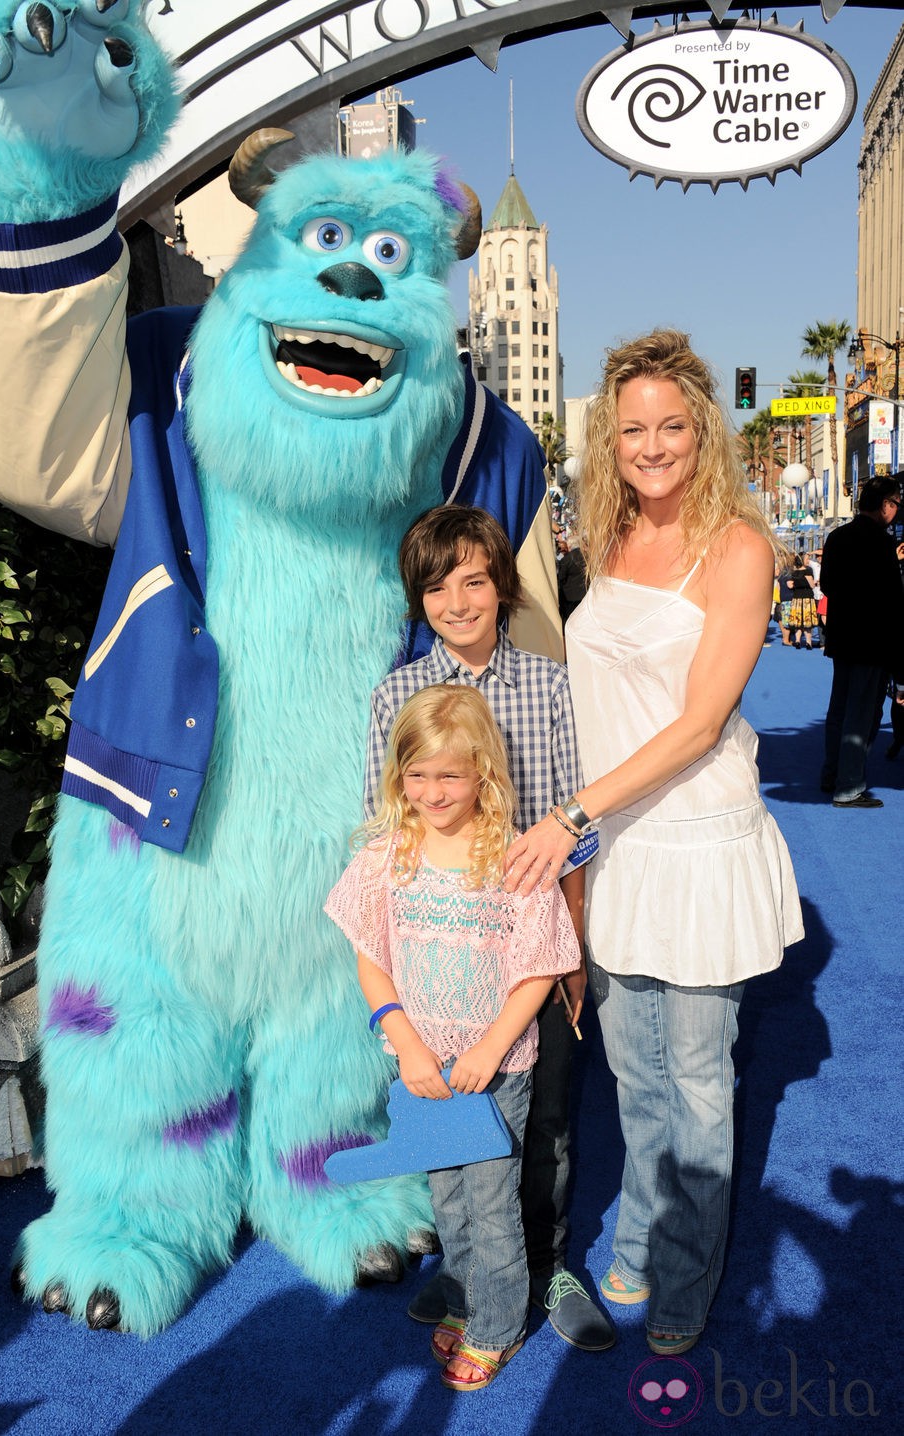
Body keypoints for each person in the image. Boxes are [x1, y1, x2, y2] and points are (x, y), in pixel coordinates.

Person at [501, 329, 804, 1356]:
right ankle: (634, 1228)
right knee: (628, 1068)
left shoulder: (739, 546)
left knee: (698, 1074)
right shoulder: (604, 533)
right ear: (609, 438)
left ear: (701, 430)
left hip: (695, 842)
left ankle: (684, 1273)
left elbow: (695, 723)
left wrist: (568, 817)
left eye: (670, 424)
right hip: (614, 845)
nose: (650, 443)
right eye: (631, 427)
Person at [365, 505, 615, 1352]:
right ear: (419, 599)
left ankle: (547, 1266)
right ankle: (471, 1269)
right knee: (448, 1119)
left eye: (474, 580)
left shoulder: (549, 684)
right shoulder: (396, 694)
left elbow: (576, 824)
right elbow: (384, 832)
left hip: (527, 959)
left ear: (502, 586)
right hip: (436, 961)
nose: (458, 601)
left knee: (540, 1120)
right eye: (437, 586)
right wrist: (392, 988)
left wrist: (572, 947)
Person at [327, 685, 582, 1391]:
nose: (433, 792)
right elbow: (369, 956)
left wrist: (490, 1048)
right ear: (398, 776)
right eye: (418, 775)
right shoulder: (388, 855)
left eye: (450, 775)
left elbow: (540, 969)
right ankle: (468, 1300)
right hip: (424, 1067)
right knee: (448, 1196)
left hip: (494, 1069)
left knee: (492, 1201)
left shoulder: (516, 859)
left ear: (483, 776)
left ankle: (498, 1328)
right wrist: (406, 1041)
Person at [819, 478, 904, 807]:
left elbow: (827, 585)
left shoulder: (838, 537)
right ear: (885, 504)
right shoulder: (880, 543)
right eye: (895, 503)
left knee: (839, 710)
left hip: (844, 637)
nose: (896, 510)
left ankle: (832, 773)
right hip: (872, 640)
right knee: (862, 714)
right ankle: (849, 785)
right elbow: (892, 599)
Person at [783, 552, 818, 650]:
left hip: (797, 599)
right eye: (807, 558)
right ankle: (808, 642)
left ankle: (797, 641)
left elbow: (790, 585)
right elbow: (811, 585)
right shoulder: (808, 571)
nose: (808, 561)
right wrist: (814, 583)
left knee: (798, 621)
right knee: (807, 622)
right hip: (807, 599)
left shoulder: (794, 572)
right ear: (802, 560)